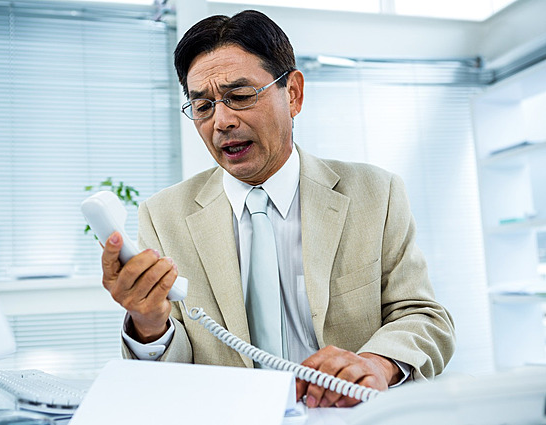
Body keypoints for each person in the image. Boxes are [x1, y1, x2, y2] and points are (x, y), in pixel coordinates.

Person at [100, 9, 455, 408]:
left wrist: (375, 363)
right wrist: (149, 323)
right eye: (203, 106)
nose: (222, 122)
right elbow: (177, 370)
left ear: (293, 94)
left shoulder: (376, 192)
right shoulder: (162, 215)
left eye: (240, 95)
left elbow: (424, 317)